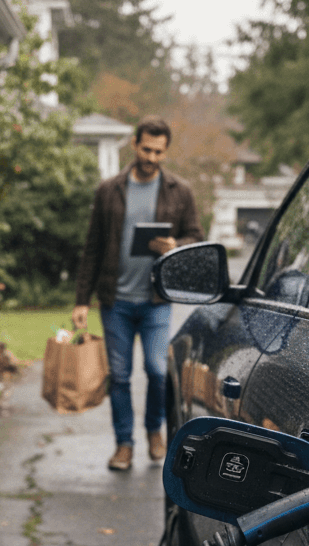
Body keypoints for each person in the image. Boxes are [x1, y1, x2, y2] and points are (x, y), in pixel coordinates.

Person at [72, 115, 203, 471]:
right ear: (134, 144)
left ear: (166, 151)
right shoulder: (109, 190)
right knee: (121, 375)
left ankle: (154, 432)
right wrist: (81, 300)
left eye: (159, 152)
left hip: (156, 301)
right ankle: (124, 444)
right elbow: (93, 248)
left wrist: (177, 243)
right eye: (146, 149)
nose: (152, 157)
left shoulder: (180, 191)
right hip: (116, 301)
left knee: (158, 370)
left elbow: (196, 236)